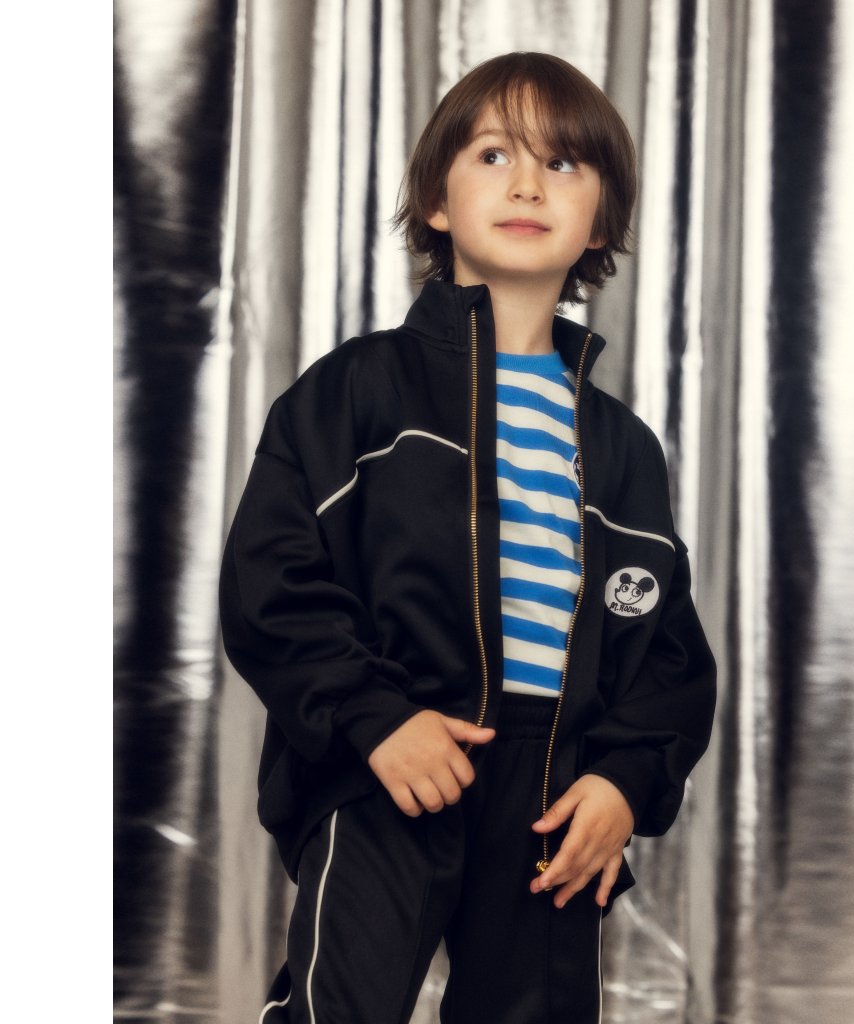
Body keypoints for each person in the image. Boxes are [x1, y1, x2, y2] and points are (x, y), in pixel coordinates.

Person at [219, 51, 716, 1024]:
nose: (527, 183)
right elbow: (270, 582)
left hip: (553, 791)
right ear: (436, 203)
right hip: (392, 757)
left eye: (562, 164)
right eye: (494, 155)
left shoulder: (623, 449)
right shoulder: (357, 392)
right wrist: (372, 716)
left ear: (600, 223)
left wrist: (622, 782)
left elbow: (666, 654)